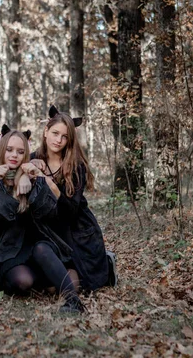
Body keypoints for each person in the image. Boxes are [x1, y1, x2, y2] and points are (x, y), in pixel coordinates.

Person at [0, 125, 86, 314]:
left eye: (20, 152)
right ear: (1, 150)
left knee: (55, 263)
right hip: (11, 251)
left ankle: (73, 302)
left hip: (39, 245)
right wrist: (0, 185)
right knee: (23, 281)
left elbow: (48, 211)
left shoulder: (33, 176)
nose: (14, 155)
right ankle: (49, 282)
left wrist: (34, 180)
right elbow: (1, 218)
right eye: (9, 150)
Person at [29, 105, 117, 292]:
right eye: (55, 133)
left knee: (76, 286)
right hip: (47, 232)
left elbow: (70, 211)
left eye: (65, 136)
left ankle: (105, 264)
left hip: (75, 231)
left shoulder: (76, 166)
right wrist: (26, 169)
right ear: (46, 131)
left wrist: (49, 182)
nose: (58, 140)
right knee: (42, 285)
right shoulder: (32, 159)